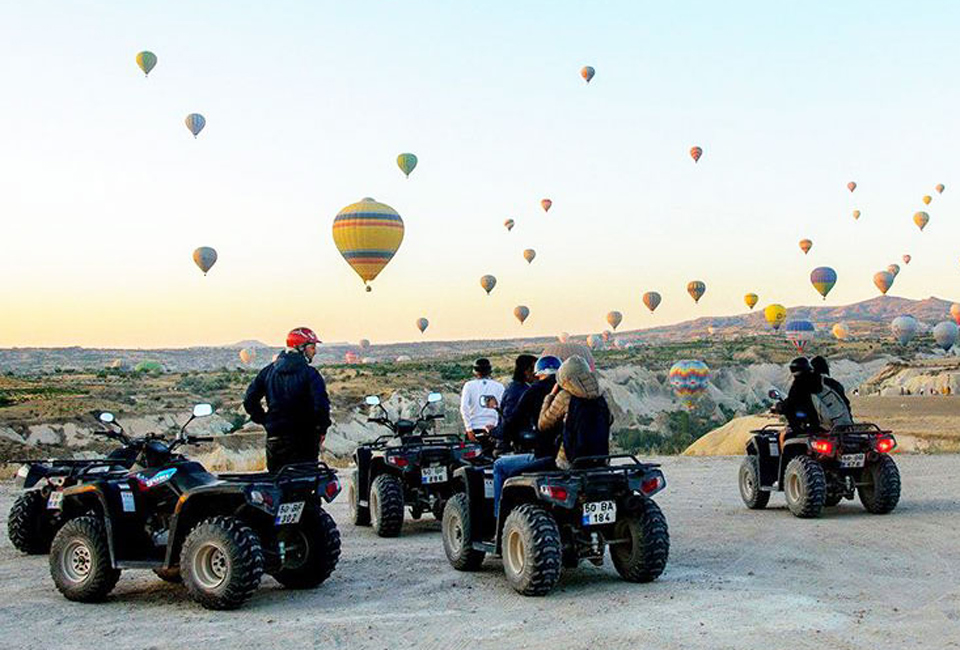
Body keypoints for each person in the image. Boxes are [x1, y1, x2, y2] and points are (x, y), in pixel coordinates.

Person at [243, 327, 331, 473]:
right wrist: (321, 429)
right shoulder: (310, 374)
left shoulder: (268, 371)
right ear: (301, 348)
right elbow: (321, 405)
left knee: (277, 486)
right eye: (312, 347)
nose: (315, 351)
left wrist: (266, 420)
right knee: (306, 484)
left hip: (276, 438)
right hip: (305, 439)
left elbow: (249, 400)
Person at [492, 355, 563, 517]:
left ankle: (500, 519)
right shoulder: (572, 391)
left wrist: (493, 432)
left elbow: (511, 424)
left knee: (499, 466)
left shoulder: (534, 391)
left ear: (538, 373)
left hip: (546, 455)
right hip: (577, 456)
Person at [539, 355, 611, 469]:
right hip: (600, 459)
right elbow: (609, 420)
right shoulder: (602, 395)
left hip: (569, 461)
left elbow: (543, 424)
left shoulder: (565, 397)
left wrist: (550, 396)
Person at [774, 357, 822, 446]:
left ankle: (785, 459)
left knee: (786, 438)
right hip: (822, 422)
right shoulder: (820, 380)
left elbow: (791, 402)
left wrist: (781, 407)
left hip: (806, 421)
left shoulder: (799, 384)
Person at [459, 358, 505, 443]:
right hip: (493, 428)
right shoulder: (499, 386)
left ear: (475, 372)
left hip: (475, 428)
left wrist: (469, 429)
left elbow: (464, 408)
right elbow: (503, 408)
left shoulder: (469, 386)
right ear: (490, 371)